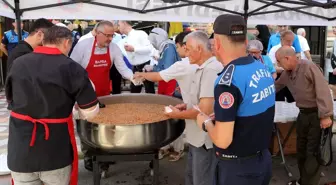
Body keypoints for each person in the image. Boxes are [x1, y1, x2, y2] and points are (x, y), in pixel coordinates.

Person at [6, 25, 99, 185]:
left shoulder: (19, 63)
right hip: (55, 152)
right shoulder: (72, 68)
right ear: (67, 43)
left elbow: (11, 100)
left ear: (43, 40)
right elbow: (91, 112)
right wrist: (75, 111)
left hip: (20, 150)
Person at [196, 14, 275, 185]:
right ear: (245, 42)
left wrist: (205, 123)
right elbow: (250, 108)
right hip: (262, 160)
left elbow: (223, 141)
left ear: (216, 43)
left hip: (237, 169)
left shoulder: (228, 82)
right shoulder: (260, 67)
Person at [70, 21, 136, 172]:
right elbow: (71, 69)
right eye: (106, 35)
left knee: (105, 126)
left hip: (105, 94)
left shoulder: (114, 48)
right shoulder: (83, 46)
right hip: (84, 96)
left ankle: (106, 154)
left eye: (112, 35)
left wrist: (135, 78)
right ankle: (89, 155)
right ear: (97, 33)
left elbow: (122, 68)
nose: (109, 39)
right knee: (86, 127)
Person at [164, 31, 223, 185]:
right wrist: (186, 106)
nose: (185, 53)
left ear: (199, 49)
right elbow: (203, 100)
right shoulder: (201, 67)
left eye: (188, 49)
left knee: (202, 179)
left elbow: (204, 110)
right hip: (196, 137)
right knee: (192, 176)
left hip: (204, 138)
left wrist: (176, 114)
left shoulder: (210, 69)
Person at [275, 46, 333, 185]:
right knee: (301, 150)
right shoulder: (287, 73)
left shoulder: (308, 67)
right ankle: (303, 181)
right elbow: (276, 87)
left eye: (278, 61)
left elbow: (323, 90)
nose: (277, 65)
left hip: (317, 115)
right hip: (303, 114)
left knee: (313, 153)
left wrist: (325, 115)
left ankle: (308, 183)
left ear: (287, 58)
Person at [134, 31, 195, 161]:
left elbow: (164, 71)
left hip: (173, 89)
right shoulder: (172, 52)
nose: (177, 50)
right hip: (172, 88)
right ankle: (167, 146)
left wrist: (144, 74)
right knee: (170, 117)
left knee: (176, 119)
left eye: (178, 47)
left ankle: (177, 149)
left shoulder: (170, 49)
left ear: (184, 46)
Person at [118, 20, 155, 93]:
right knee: (134, 92)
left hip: (146, 68)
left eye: (119, 25)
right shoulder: (124, 39)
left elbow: (149, 48)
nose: (118, 27)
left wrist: (134, 49)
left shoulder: (140, 34)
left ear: (124, 23)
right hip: (135, 69)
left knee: (149, 92)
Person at [145, 28, 181, 96]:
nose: (153, 45)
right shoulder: (165, 47)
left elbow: (167, 69)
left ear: (158, 38)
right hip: (167, 80)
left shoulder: (168, 47)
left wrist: (153, 68)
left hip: (171, 82)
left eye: (153, 41)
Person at [268, 30, 296, 102]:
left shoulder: (292, 49)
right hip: (279, 77)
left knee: (292, 99)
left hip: (291, 78)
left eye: (292, 41)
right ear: (281, 39)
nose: (290, 43)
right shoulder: (274, 50)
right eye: (288, 41)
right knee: (279, 100)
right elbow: (272, 68)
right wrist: (286, 69)